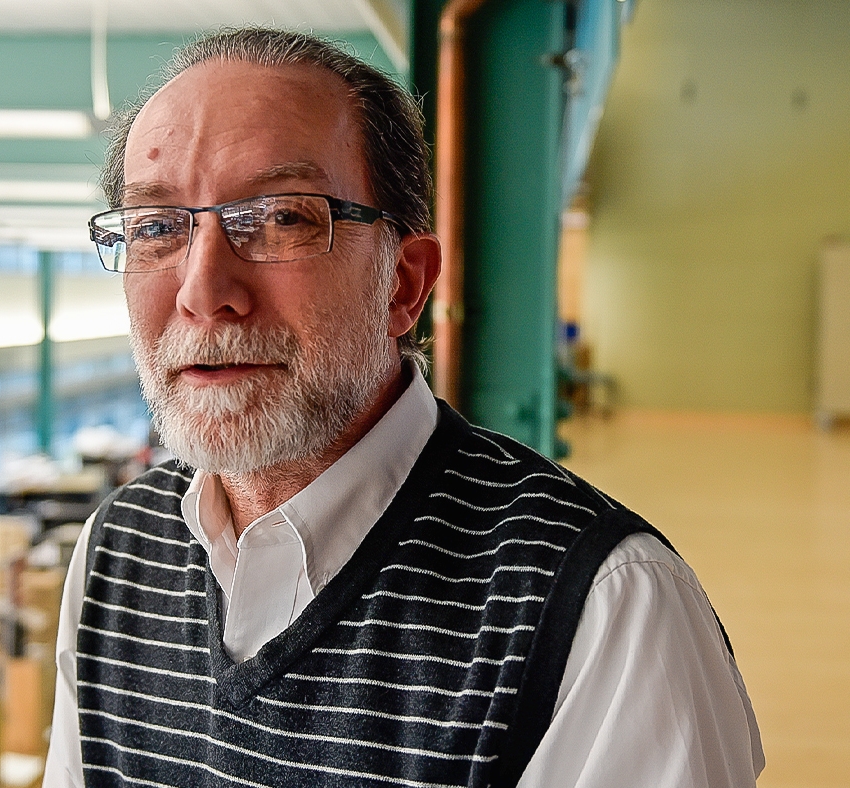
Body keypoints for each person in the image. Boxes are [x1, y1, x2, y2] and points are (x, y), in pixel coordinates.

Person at [43, 27, 763, 788]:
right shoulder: (114, 551)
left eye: (284, 218)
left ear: (404, 286)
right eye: (157, 229)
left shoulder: (601, 612)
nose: (202, 292)